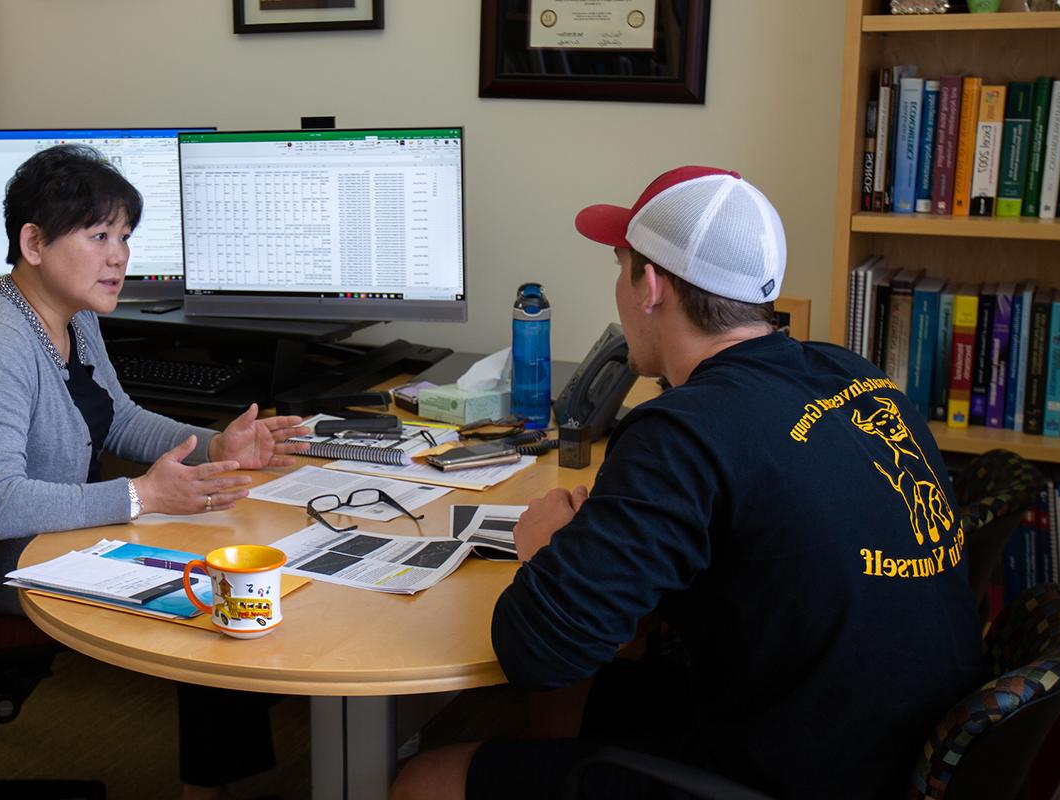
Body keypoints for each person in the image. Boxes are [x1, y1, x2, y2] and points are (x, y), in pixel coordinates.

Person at [391, 166, 983, 799]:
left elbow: (534, 652)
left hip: (794, 772)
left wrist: (546, 544)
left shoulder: (682, 430)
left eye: (620, 267)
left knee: (426, 778)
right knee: (582, 688)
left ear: (649, 286)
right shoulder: (851, 372)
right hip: (897, 745)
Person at [0, 144, 307, 800]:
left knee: (228, 560)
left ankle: (226, 779)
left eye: (124, 235)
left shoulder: (68, 314)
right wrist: (139, 494)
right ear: (33, 242)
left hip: (60, 539)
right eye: (98, 235)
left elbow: (119, 419)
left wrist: (217, 445)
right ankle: (207, 791)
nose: (119, 255)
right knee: (214, 589)